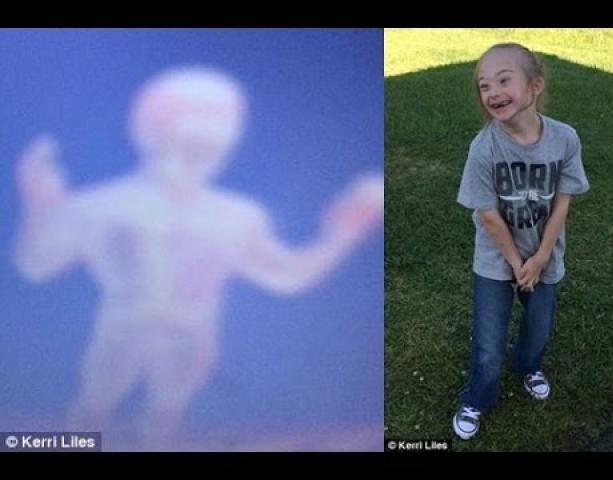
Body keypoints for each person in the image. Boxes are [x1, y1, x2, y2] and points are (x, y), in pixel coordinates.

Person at [13, 66, 383, 449]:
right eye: (192, 125)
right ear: (151, 131)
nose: (208, 137)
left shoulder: (236, 217)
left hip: (191, 332)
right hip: (123, 328)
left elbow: (287, 276)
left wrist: (344, 233)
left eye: (221, 126)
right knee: (93, 409)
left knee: (165, 417)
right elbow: (38, 264)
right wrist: (39, 209)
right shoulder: (103, 206)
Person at [453, 43, 589, 440]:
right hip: (497, 260)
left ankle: (529, 367)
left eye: (503, 80)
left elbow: (563, 200)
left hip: (544, 256)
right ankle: (477, 398)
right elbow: (489, 216)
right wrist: (516, 263)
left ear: (535, 86)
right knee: (489, 344)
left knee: (538, 328)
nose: (492, 92)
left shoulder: (565, 139)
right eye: (483, 85)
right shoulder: (484, 149)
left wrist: (542, 256)